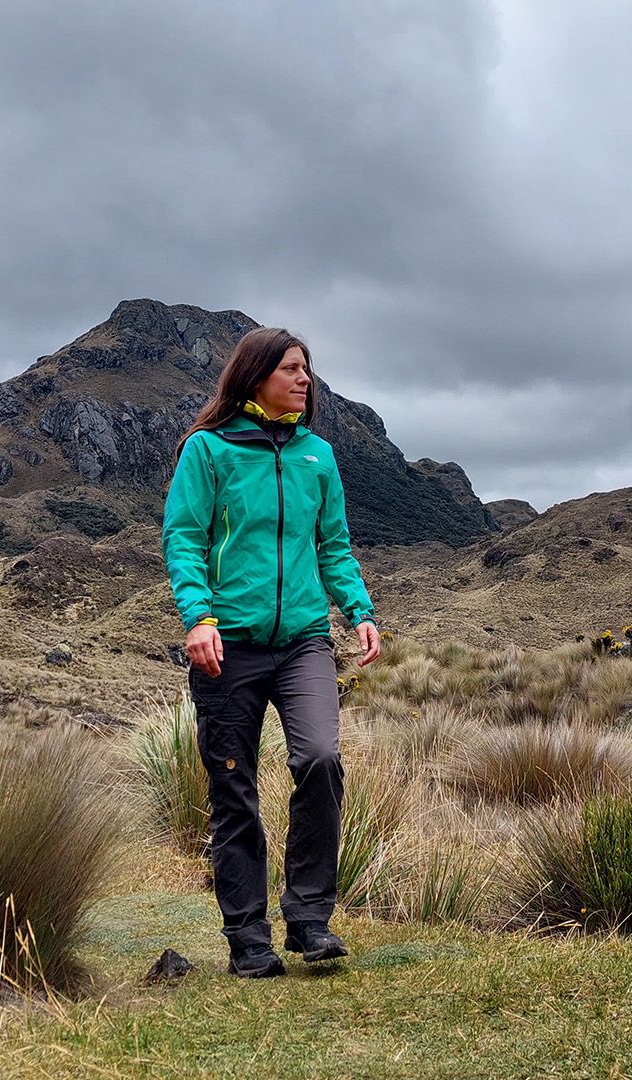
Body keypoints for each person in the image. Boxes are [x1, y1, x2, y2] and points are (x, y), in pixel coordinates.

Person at [162, 326, 381, 978]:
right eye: (291, 368)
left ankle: (310, 921)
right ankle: (248, 942)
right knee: (235, 792)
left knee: (319, 760)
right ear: (257, 374)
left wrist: (360, 610)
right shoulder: (208, 451)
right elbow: (183, 538)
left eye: (306, 369)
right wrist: (199, 617)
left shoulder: (317, 456)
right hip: (229, 647)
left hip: (305, 641)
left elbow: (333, 545)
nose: (304, 379)